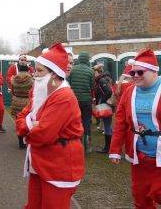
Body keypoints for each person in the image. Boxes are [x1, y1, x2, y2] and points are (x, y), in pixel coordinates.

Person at [16, 43, 84, 209]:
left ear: (54, 75)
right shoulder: (41, 92)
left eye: (40, 71)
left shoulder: (64, 96)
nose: (35, 75)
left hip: (58, 164)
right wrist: (34, 125)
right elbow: (21, 118)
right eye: (35, 70)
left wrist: (31, 127)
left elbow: (44, 134)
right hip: (40, 161)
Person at [109, 48, 161, 208]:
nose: (135, 76)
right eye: (133, 73)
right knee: (140, 198)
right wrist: (115, 149)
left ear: (153, 71)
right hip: (139, 158)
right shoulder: (129, 91)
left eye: (140, 72)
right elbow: (120, 122)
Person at [69, 52, 95, 154]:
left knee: (75, 122)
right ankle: (87, 147)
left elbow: (69, 84)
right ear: (87, 60)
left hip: (74, 100)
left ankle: (77, 145)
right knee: (86, 122)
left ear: (79, 59)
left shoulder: (72, 70)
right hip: (86, 100)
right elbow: (92, 87)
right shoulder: (90, 71)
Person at [94, 67, 114, 154]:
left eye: (94, 72)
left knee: (107, 126)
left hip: (106, 105)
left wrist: (102, 101)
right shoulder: (100, 80)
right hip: (107, 104)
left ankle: (107, 148)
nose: (93, 74)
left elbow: (109, 91)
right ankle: (110, 146)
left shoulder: (101, 81)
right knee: (108, 125)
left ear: (97, 72)